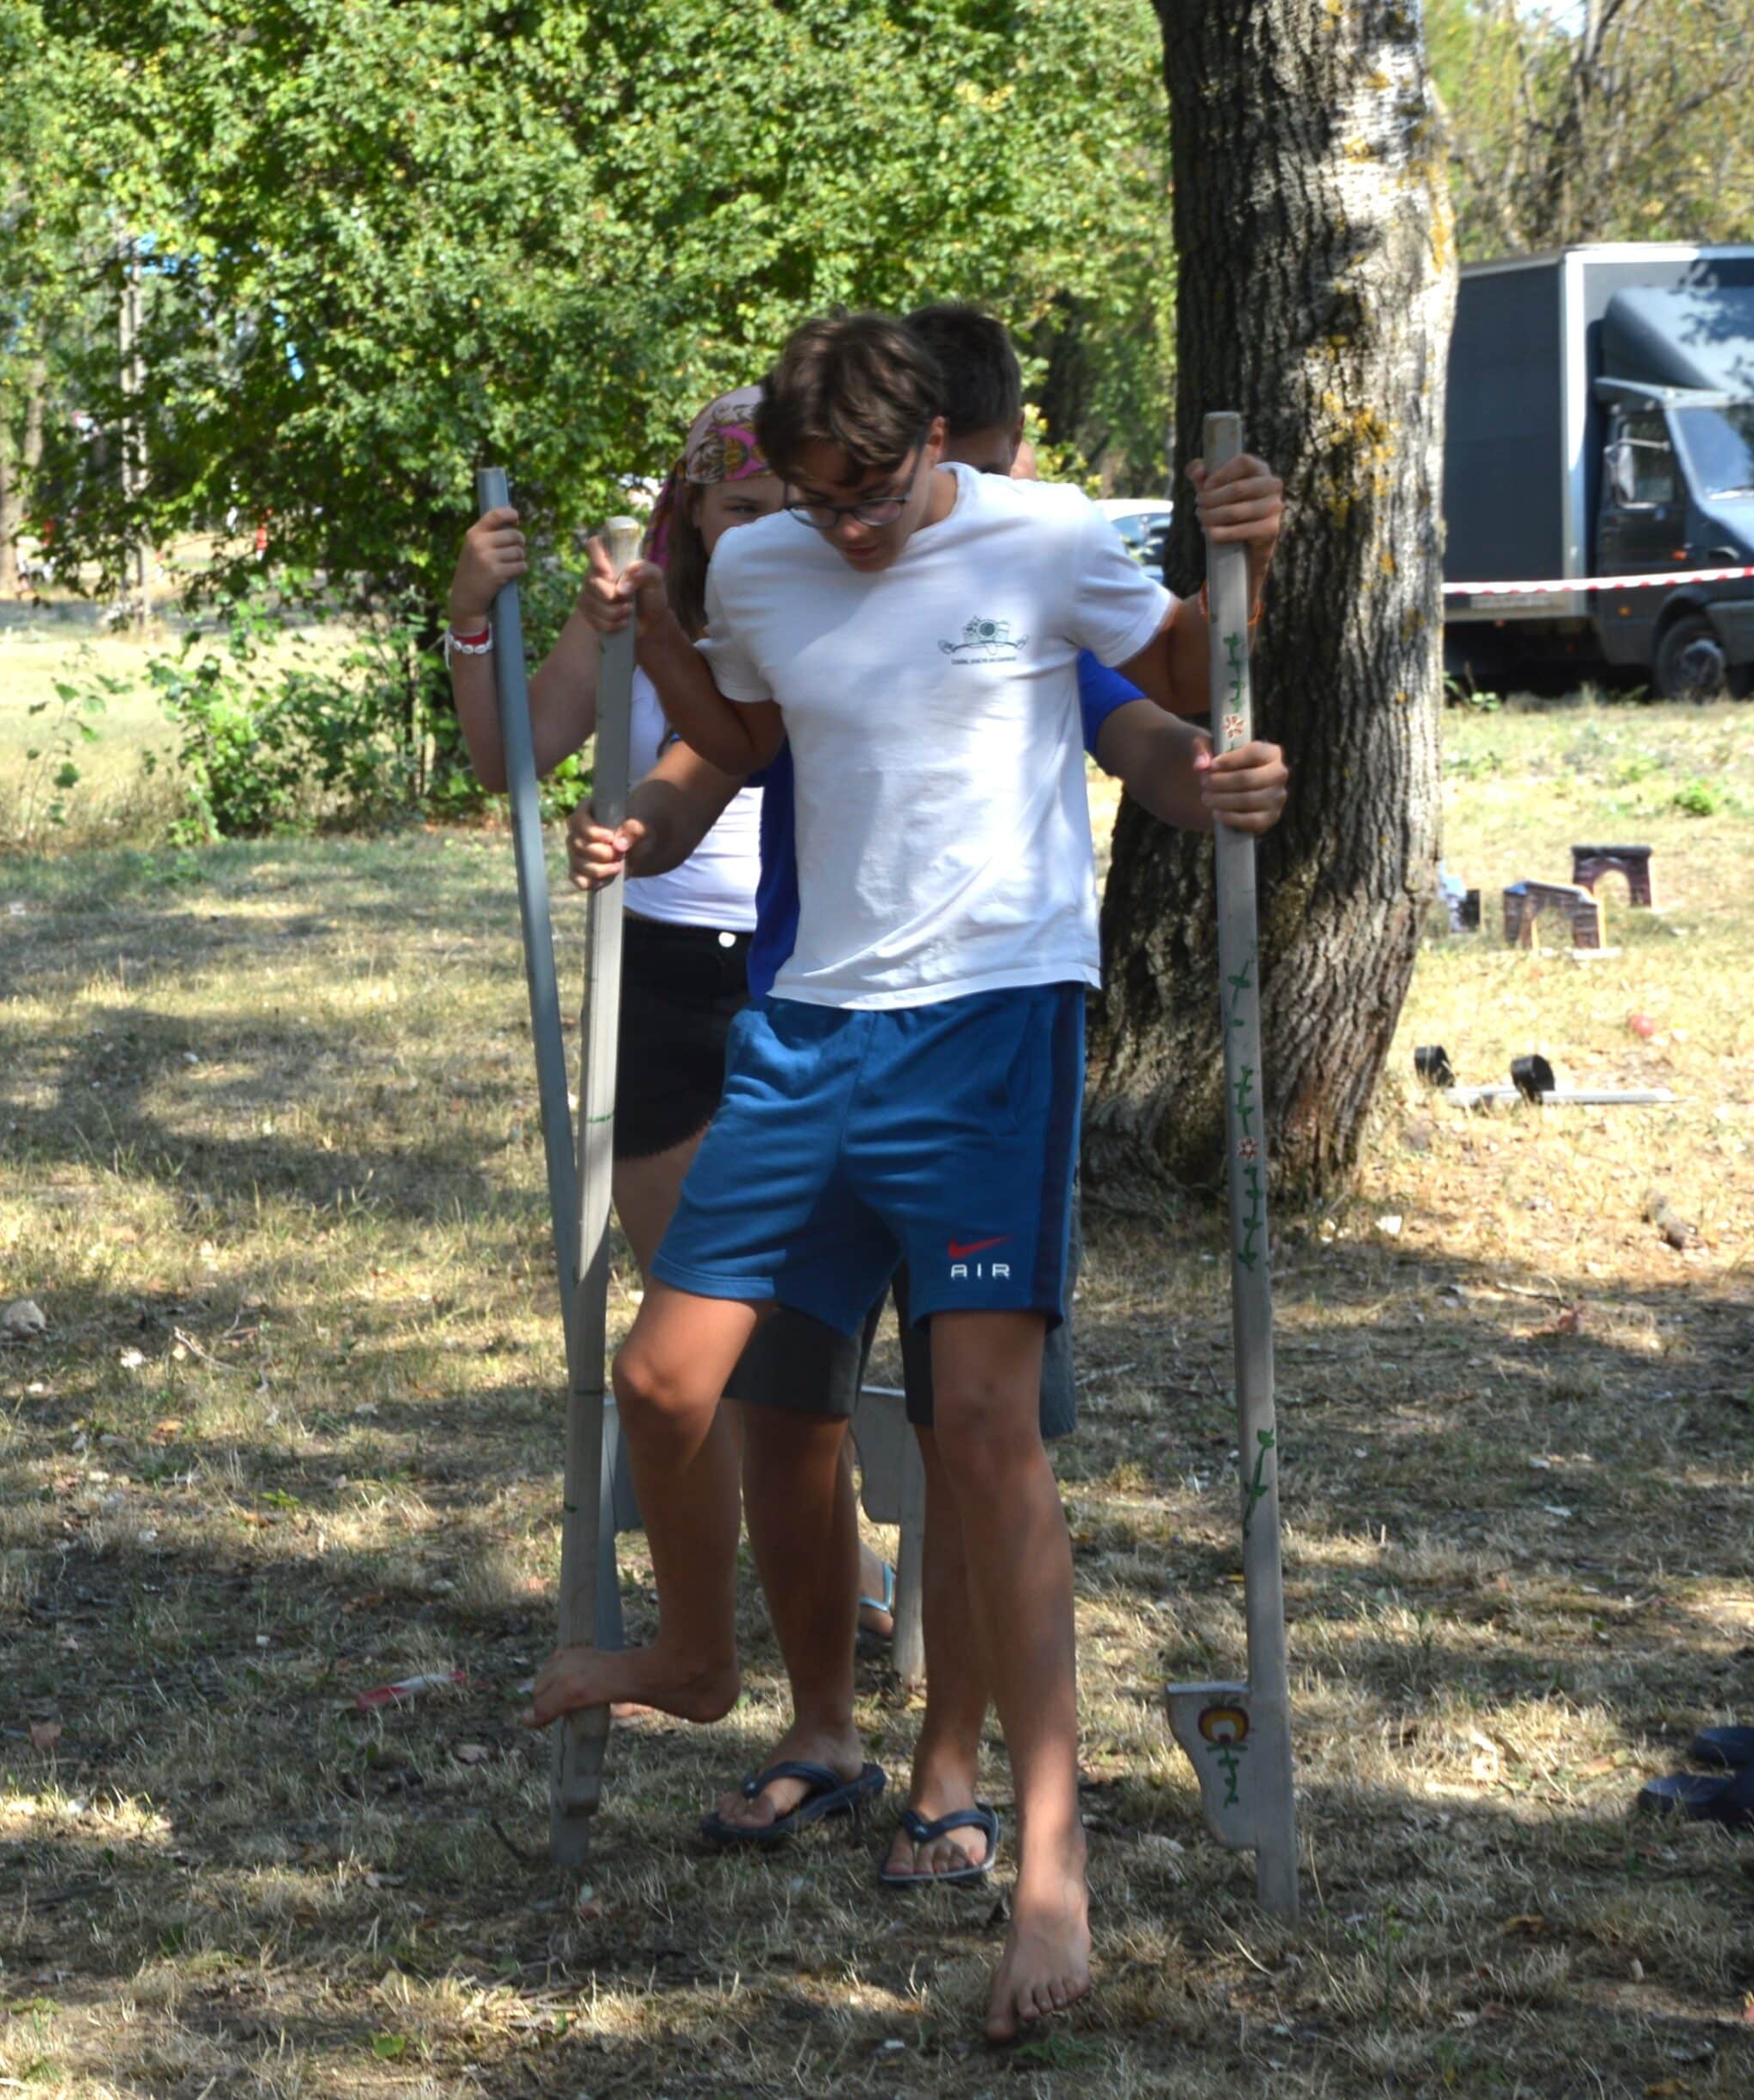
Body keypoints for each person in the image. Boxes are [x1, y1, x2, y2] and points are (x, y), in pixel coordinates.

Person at [528, 310, 1283, 2042]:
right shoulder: (768, 561)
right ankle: (699, 1660)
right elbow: (737, 736)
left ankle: (1048, 1864)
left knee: (985, 1431)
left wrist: (1250, 563)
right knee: (664, 1378)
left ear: (937, 438)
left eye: (872, 492)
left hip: (992, 1027)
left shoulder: (1044, 538)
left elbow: (1179, 671)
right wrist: (652, 707)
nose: (849, 527)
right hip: (807, 1026)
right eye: (818, 498)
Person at [441, 389, 896, 1640]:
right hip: (658, 971)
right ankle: (716, 1608)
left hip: (804, 967)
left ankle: (839, 1573)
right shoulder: (630, 602)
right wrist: (473, 617)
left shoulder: (839, 600)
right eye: (743, 506)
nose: (771, 529)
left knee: (790, 1338)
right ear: (693, 507)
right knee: (690, 1324)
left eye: (795, 505)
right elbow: (510, 756)